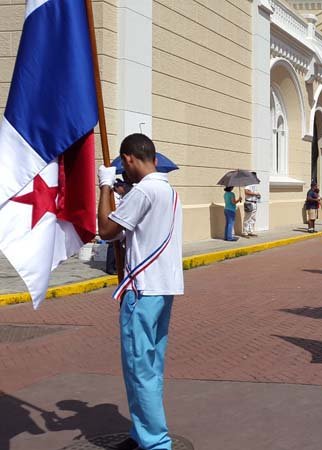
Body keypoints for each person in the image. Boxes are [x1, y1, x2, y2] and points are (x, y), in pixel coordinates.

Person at [96, 133, 184, 450]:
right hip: (163, 288)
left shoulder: (144, 191)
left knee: (138, 368)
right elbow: (134, 232)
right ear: (155, 159)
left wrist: (105, 186)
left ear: (128, 159)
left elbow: (107, 230)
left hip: (142, 290)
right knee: (151, 367)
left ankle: (156, 442)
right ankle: (141, 432)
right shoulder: (169, 191)